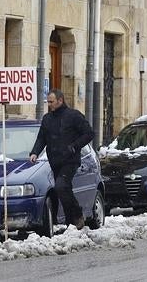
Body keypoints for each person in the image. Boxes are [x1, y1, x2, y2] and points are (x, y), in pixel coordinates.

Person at [29, 89, 95, 230]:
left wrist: (74, 146)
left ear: (60, 101)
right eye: (48, 102)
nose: (49, 105)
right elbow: (41, 138)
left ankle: (76, 214)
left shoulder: (73, 116)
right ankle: (71, 223)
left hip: (70, 160)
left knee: (61, 186)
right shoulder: (47, 119)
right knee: (63, 190)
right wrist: (34, 152)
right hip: (55, 160)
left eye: (52, 102)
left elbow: (89, 133)